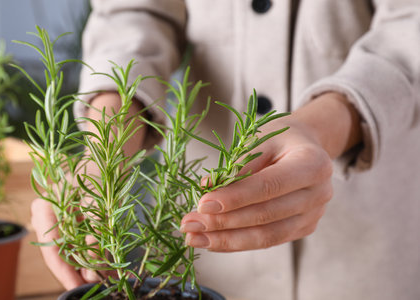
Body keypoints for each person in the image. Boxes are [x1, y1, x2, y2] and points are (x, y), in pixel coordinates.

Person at [31, 1, 420, 299]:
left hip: (368, 245)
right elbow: (134, 11)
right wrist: (104, 153)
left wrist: (322, 126)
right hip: (205, 248)